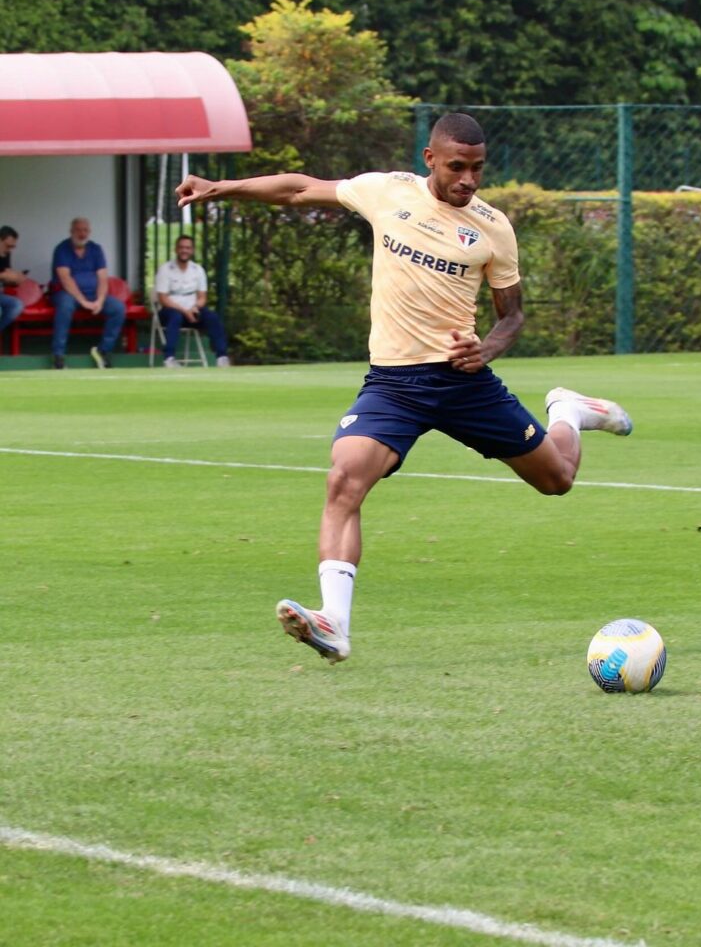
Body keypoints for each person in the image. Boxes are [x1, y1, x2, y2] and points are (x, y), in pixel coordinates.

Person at [176, 112, 632, 665]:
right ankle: (335, 623)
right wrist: (220, 187)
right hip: (393, 385)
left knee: (556, 481)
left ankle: (569, 412)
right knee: (344, 479)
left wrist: (486, 350)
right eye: (457, 167)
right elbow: (298, 189)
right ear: (430, 159)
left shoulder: (493, 227)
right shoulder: (385, 192)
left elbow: (512, 316)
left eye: (478, 168)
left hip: (463, 383)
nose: (469, 179)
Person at [50, 217, 125, 369]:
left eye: (85, 230)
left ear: (89, 232)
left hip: (93, 295)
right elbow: (65, 278)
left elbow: (103, 278)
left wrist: (100, 300)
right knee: (65, 306)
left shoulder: (96, 249)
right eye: (78, 230)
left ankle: (103, 351)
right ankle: (58, 355)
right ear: (71, 231)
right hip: (68, 294)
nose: (82, 234)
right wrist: (83, 301)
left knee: (118, 308)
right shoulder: (62, 249)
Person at [154, 235, 230, 367]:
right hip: (170, 311)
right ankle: (169, 358)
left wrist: (195, 308)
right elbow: (163, 298)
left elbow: (202, 297)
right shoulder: (165, 269)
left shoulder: (198, 270)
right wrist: (184, 311)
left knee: (212, 317)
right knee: (175, 317)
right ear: (176, 249)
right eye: (181, 247)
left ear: (192, 250)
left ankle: (222, 357)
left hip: (192, 310)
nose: (184, 250)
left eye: (188, 248)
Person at [0, 225, 25, 334]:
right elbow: (3, 275)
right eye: (8, 246)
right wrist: (4, 276)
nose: (9, 249)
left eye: (12, 247)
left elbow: (6, 276)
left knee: (16, 305)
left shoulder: (6, 254)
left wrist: (15, 280)